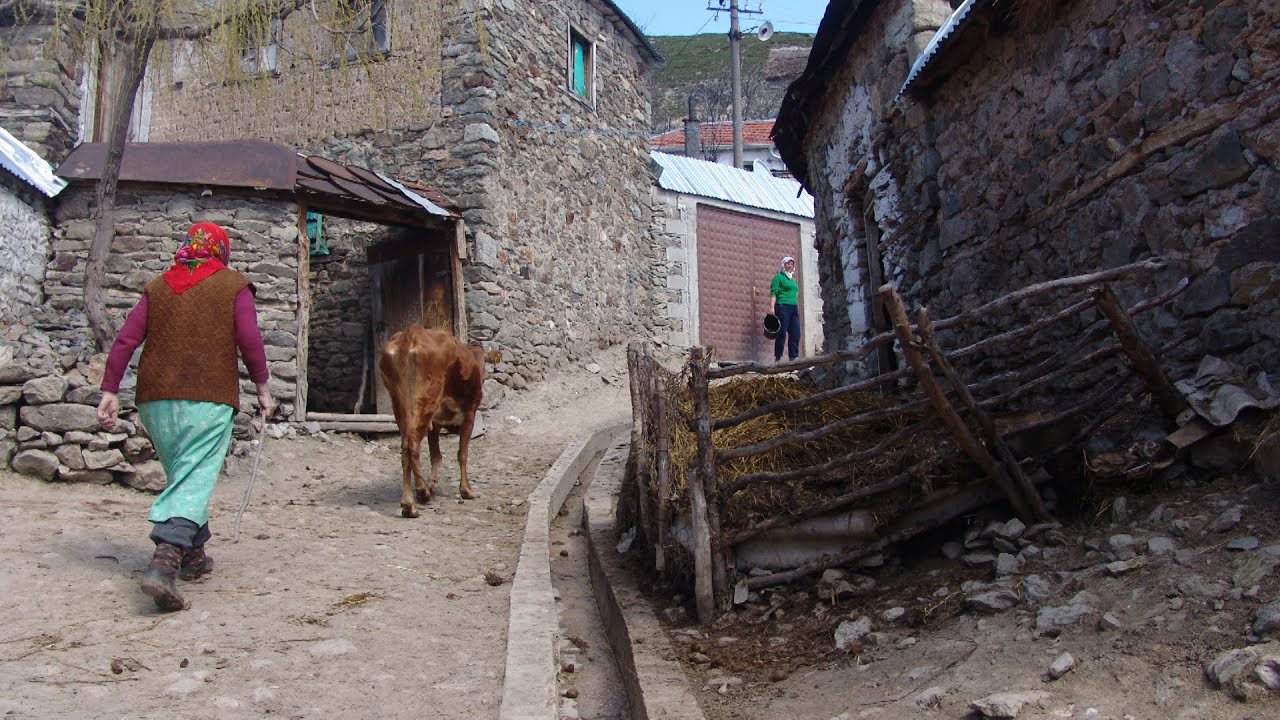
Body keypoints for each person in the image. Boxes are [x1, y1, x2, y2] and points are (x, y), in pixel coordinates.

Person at [97, 221, 275, 612]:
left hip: (155, 401)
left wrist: (110, 390)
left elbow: (126, 339)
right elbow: (249, 339)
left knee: (185, 475)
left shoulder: (158, 287)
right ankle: (164, 566)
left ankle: (195, 557)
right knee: (193, 478)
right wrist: (263, 388)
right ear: (221, 251)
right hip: (207, 398)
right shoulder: (233, 285)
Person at [769, 255, 801, 363]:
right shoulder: (778, 277)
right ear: (783, 265)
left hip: (793, 308)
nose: (790, 265)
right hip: (782, 307)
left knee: (795, 332)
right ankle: (778, 358)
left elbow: (795, 293)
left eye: (792, 264)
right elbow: (774, 293)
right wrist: (772, 307)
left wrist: (794, 303)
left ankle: (793, 357)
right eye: (788, 263)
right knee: (782, 332)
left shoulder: (793, 280)